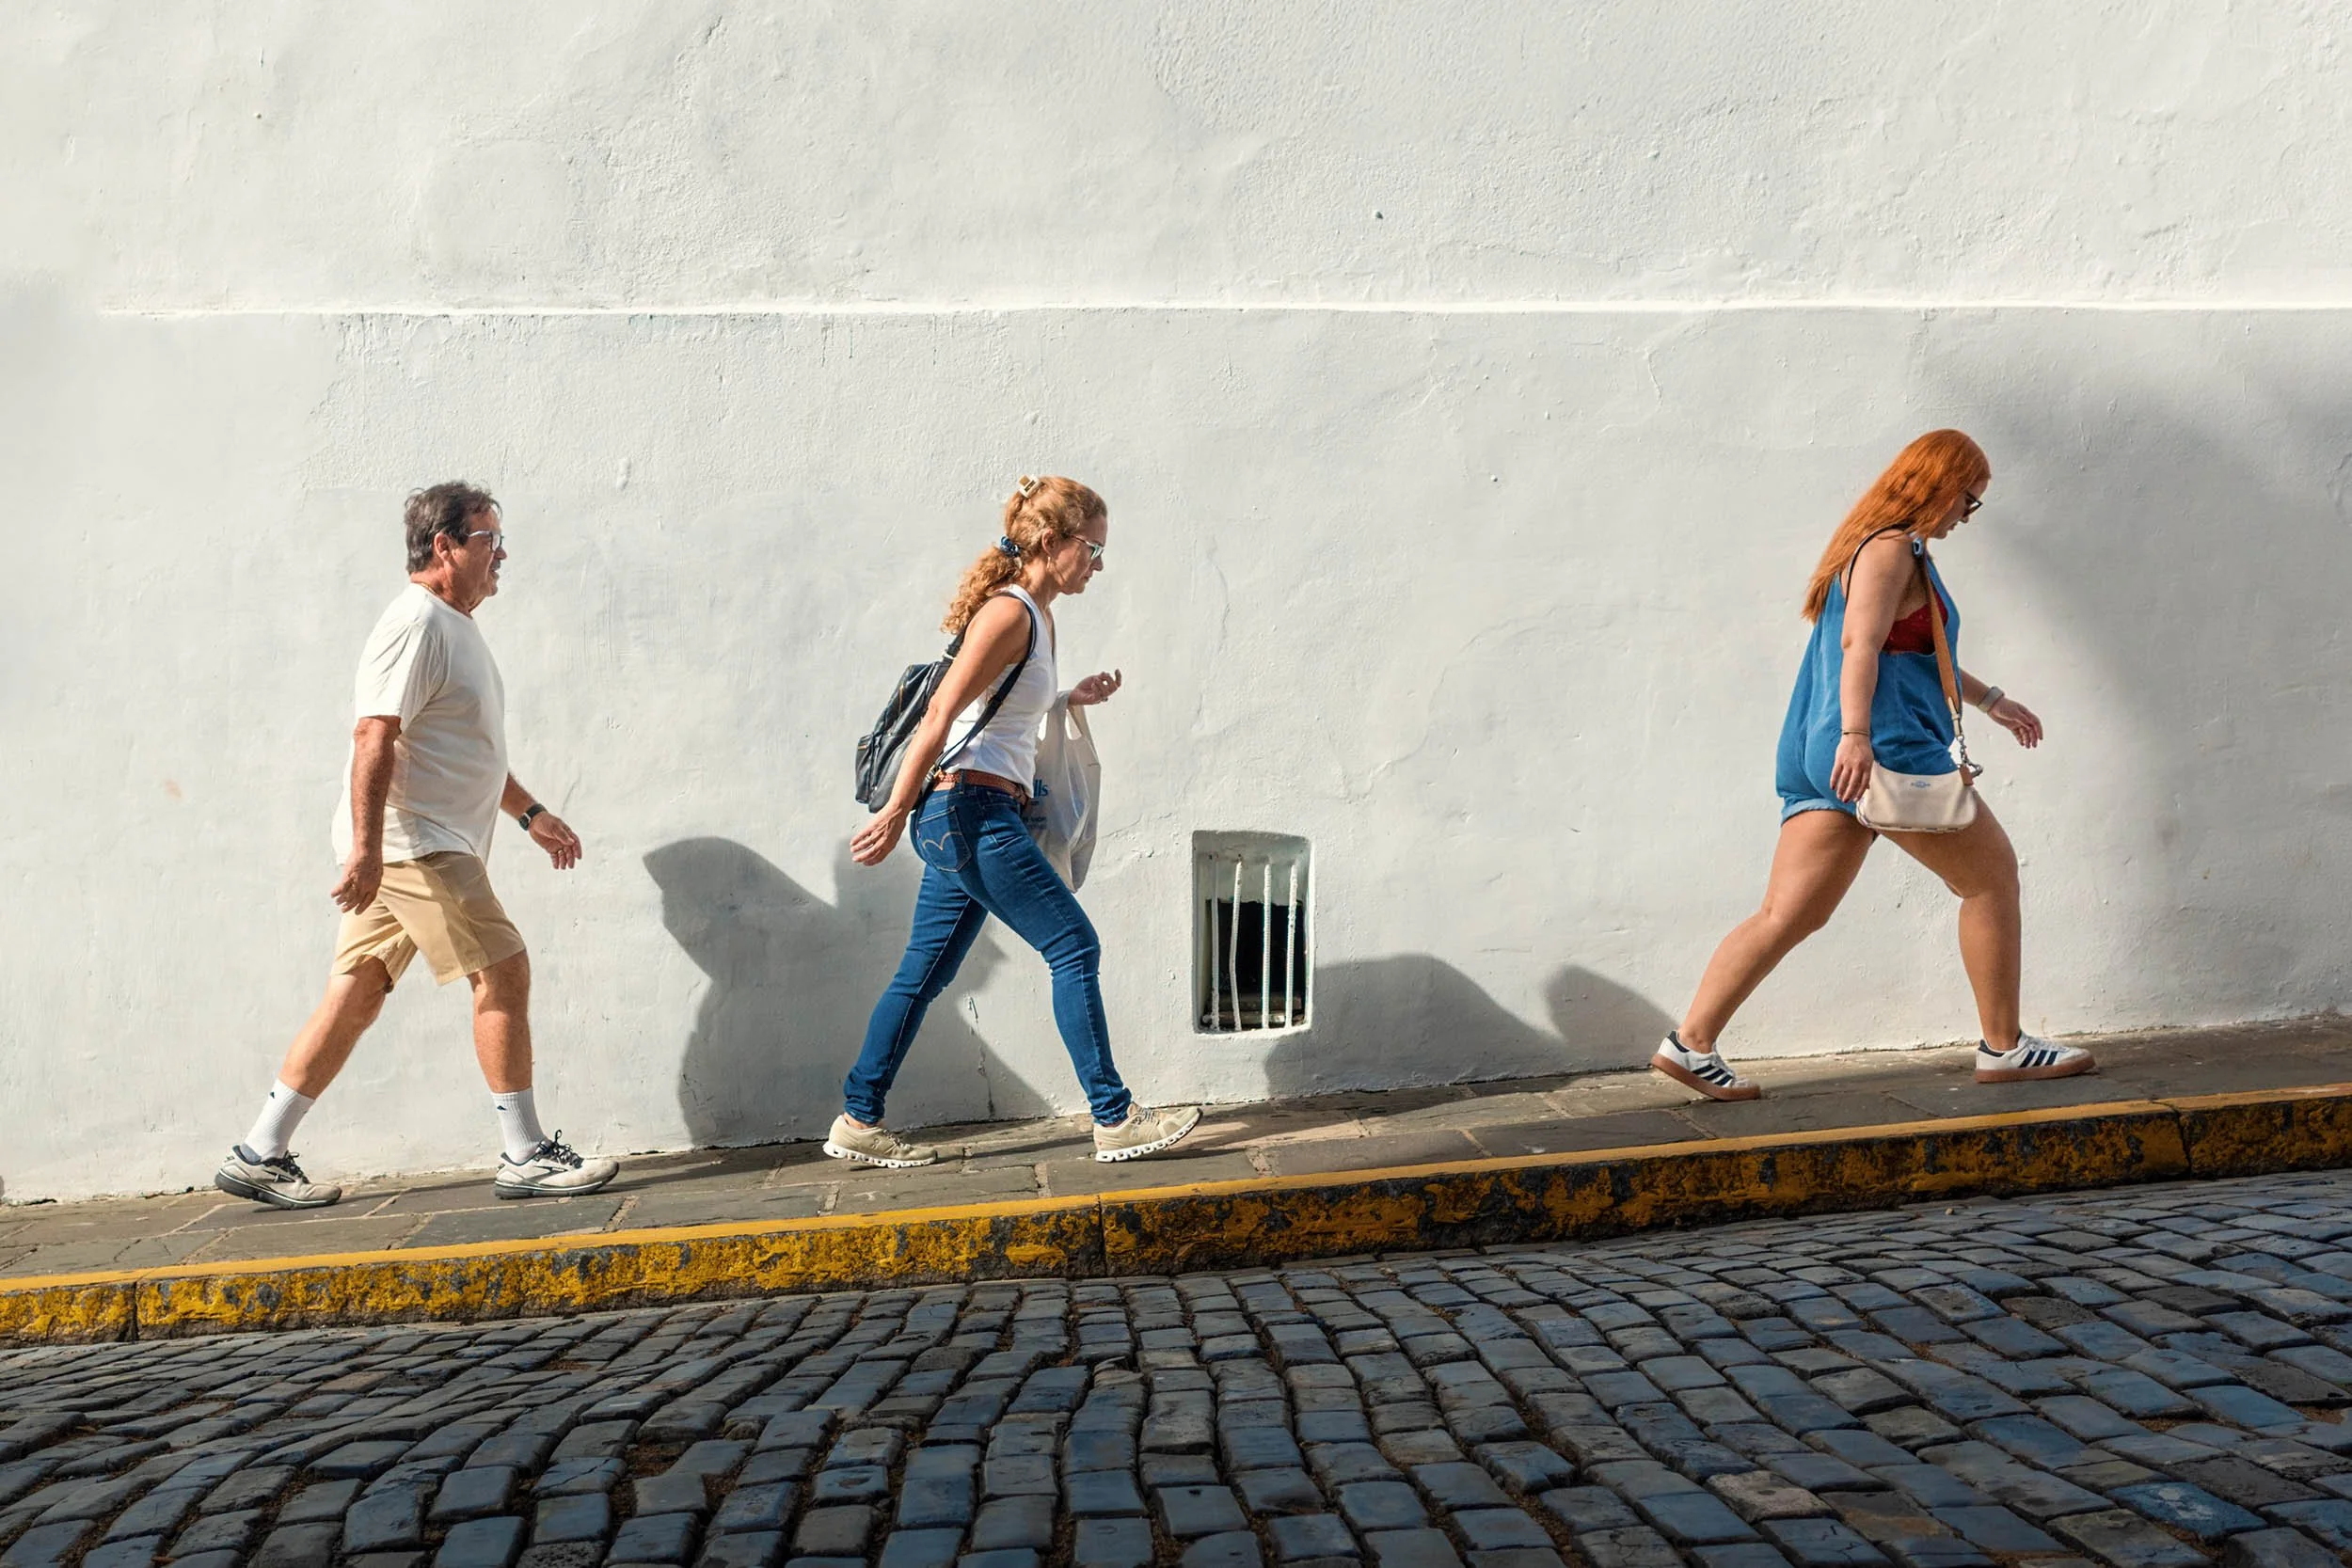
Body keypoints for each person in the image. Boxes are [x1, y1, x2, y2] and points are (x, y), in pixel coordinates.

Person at [1652, 430, 2095, 1101]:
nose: (1963, 519)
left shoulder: (1872, 547)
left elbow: (1913, 651)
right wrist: (1859, 733)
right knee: (1991, 878)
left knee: (1789, 912)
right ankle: (2004, 1047)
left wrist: (1992, 700)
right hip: (1878, 746)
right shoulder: (1891, 549)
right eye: (1966, 502)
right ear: (1938, 485)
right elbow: (1862, 643)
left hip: (1821, 748)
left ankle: (1690, 1042)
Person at [214, 483, 621, 1208]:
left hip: (418, 838)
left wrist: (530, 814)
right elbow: (375, 734)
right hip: (415, 842)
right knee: (504, 965)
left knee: (358, 990)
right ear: (445, 547)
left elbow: (460, 748)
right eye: (490, 538)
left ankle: (259, 1149)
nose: (503, 553)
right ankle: (525, 1152)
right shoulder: (416, 623)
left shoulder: (452, 624)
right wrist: (367, 850)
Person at [833, 476, 1201, 1166]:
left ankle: (858, 1116)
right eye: (1091, 549)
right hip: (966, 811)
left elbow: (994, 719)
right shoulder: (1009, 613)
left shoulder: (1039, 615)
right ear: (1050, 540)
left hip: (975, 809)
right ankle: (1115, 1117)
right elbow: (940, 714)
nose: (1096, 564)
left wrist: (1067, 697)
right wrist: (890, 811)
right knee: (1073, 945)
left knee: (925, 971)